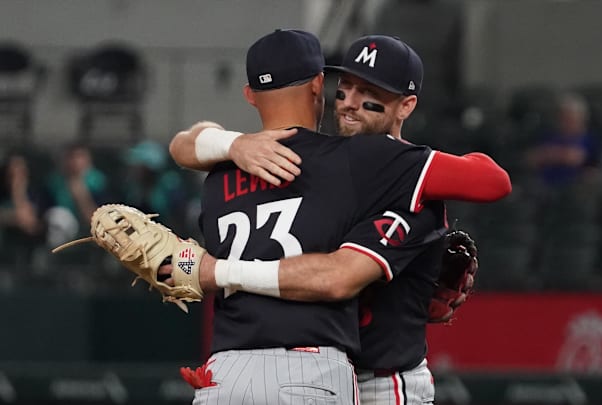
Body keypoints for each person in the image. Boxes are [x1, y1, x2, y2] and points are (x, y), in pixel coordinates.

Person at [168, 33, 510, 404]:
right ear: (321, 86)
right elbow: (183, 145)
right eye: (344, 88)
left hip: (383, 381)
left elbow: (492, 180)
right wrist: (234, 143)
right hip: (324, 371)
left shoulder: (397, 168)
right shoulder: (336, 160)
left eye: (369, 94)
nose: (349, 103)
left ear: (406, 105)